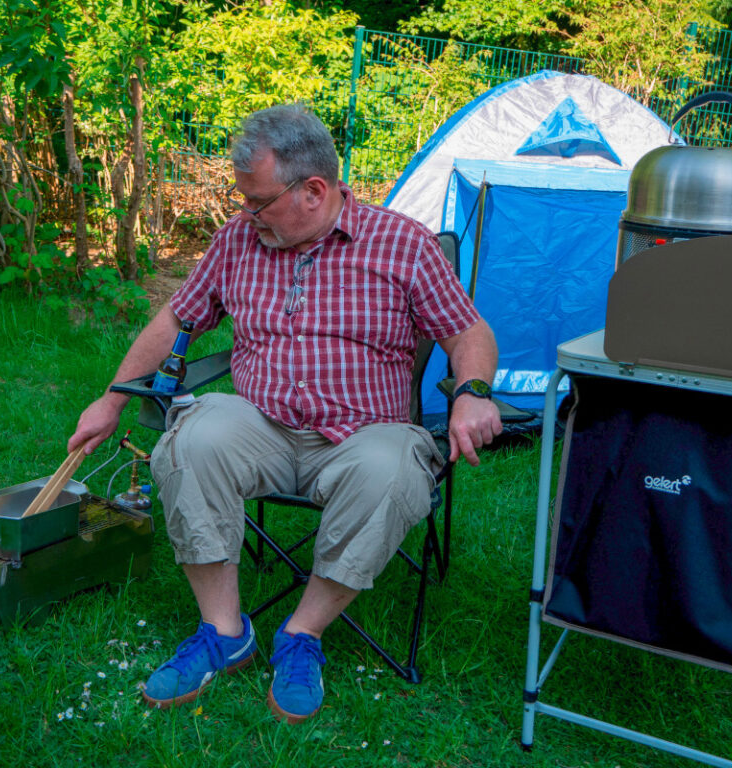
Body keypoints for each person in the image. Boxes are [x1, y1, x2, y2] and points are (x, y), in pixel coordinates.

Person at [68, 103, 502, 723]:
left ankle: (303, 633)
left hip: (363, 436)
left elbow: (467, 332)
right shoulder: (238, 243)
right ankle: (224, 632)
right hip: (264, 428)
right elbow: (177, 319)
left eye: (258, 202)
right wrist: (113, 398)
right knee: (190, 437)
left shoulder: (402, 244)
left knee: (395, 470)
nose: (246, 216)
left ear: (314, 191)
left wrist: (471, 393)